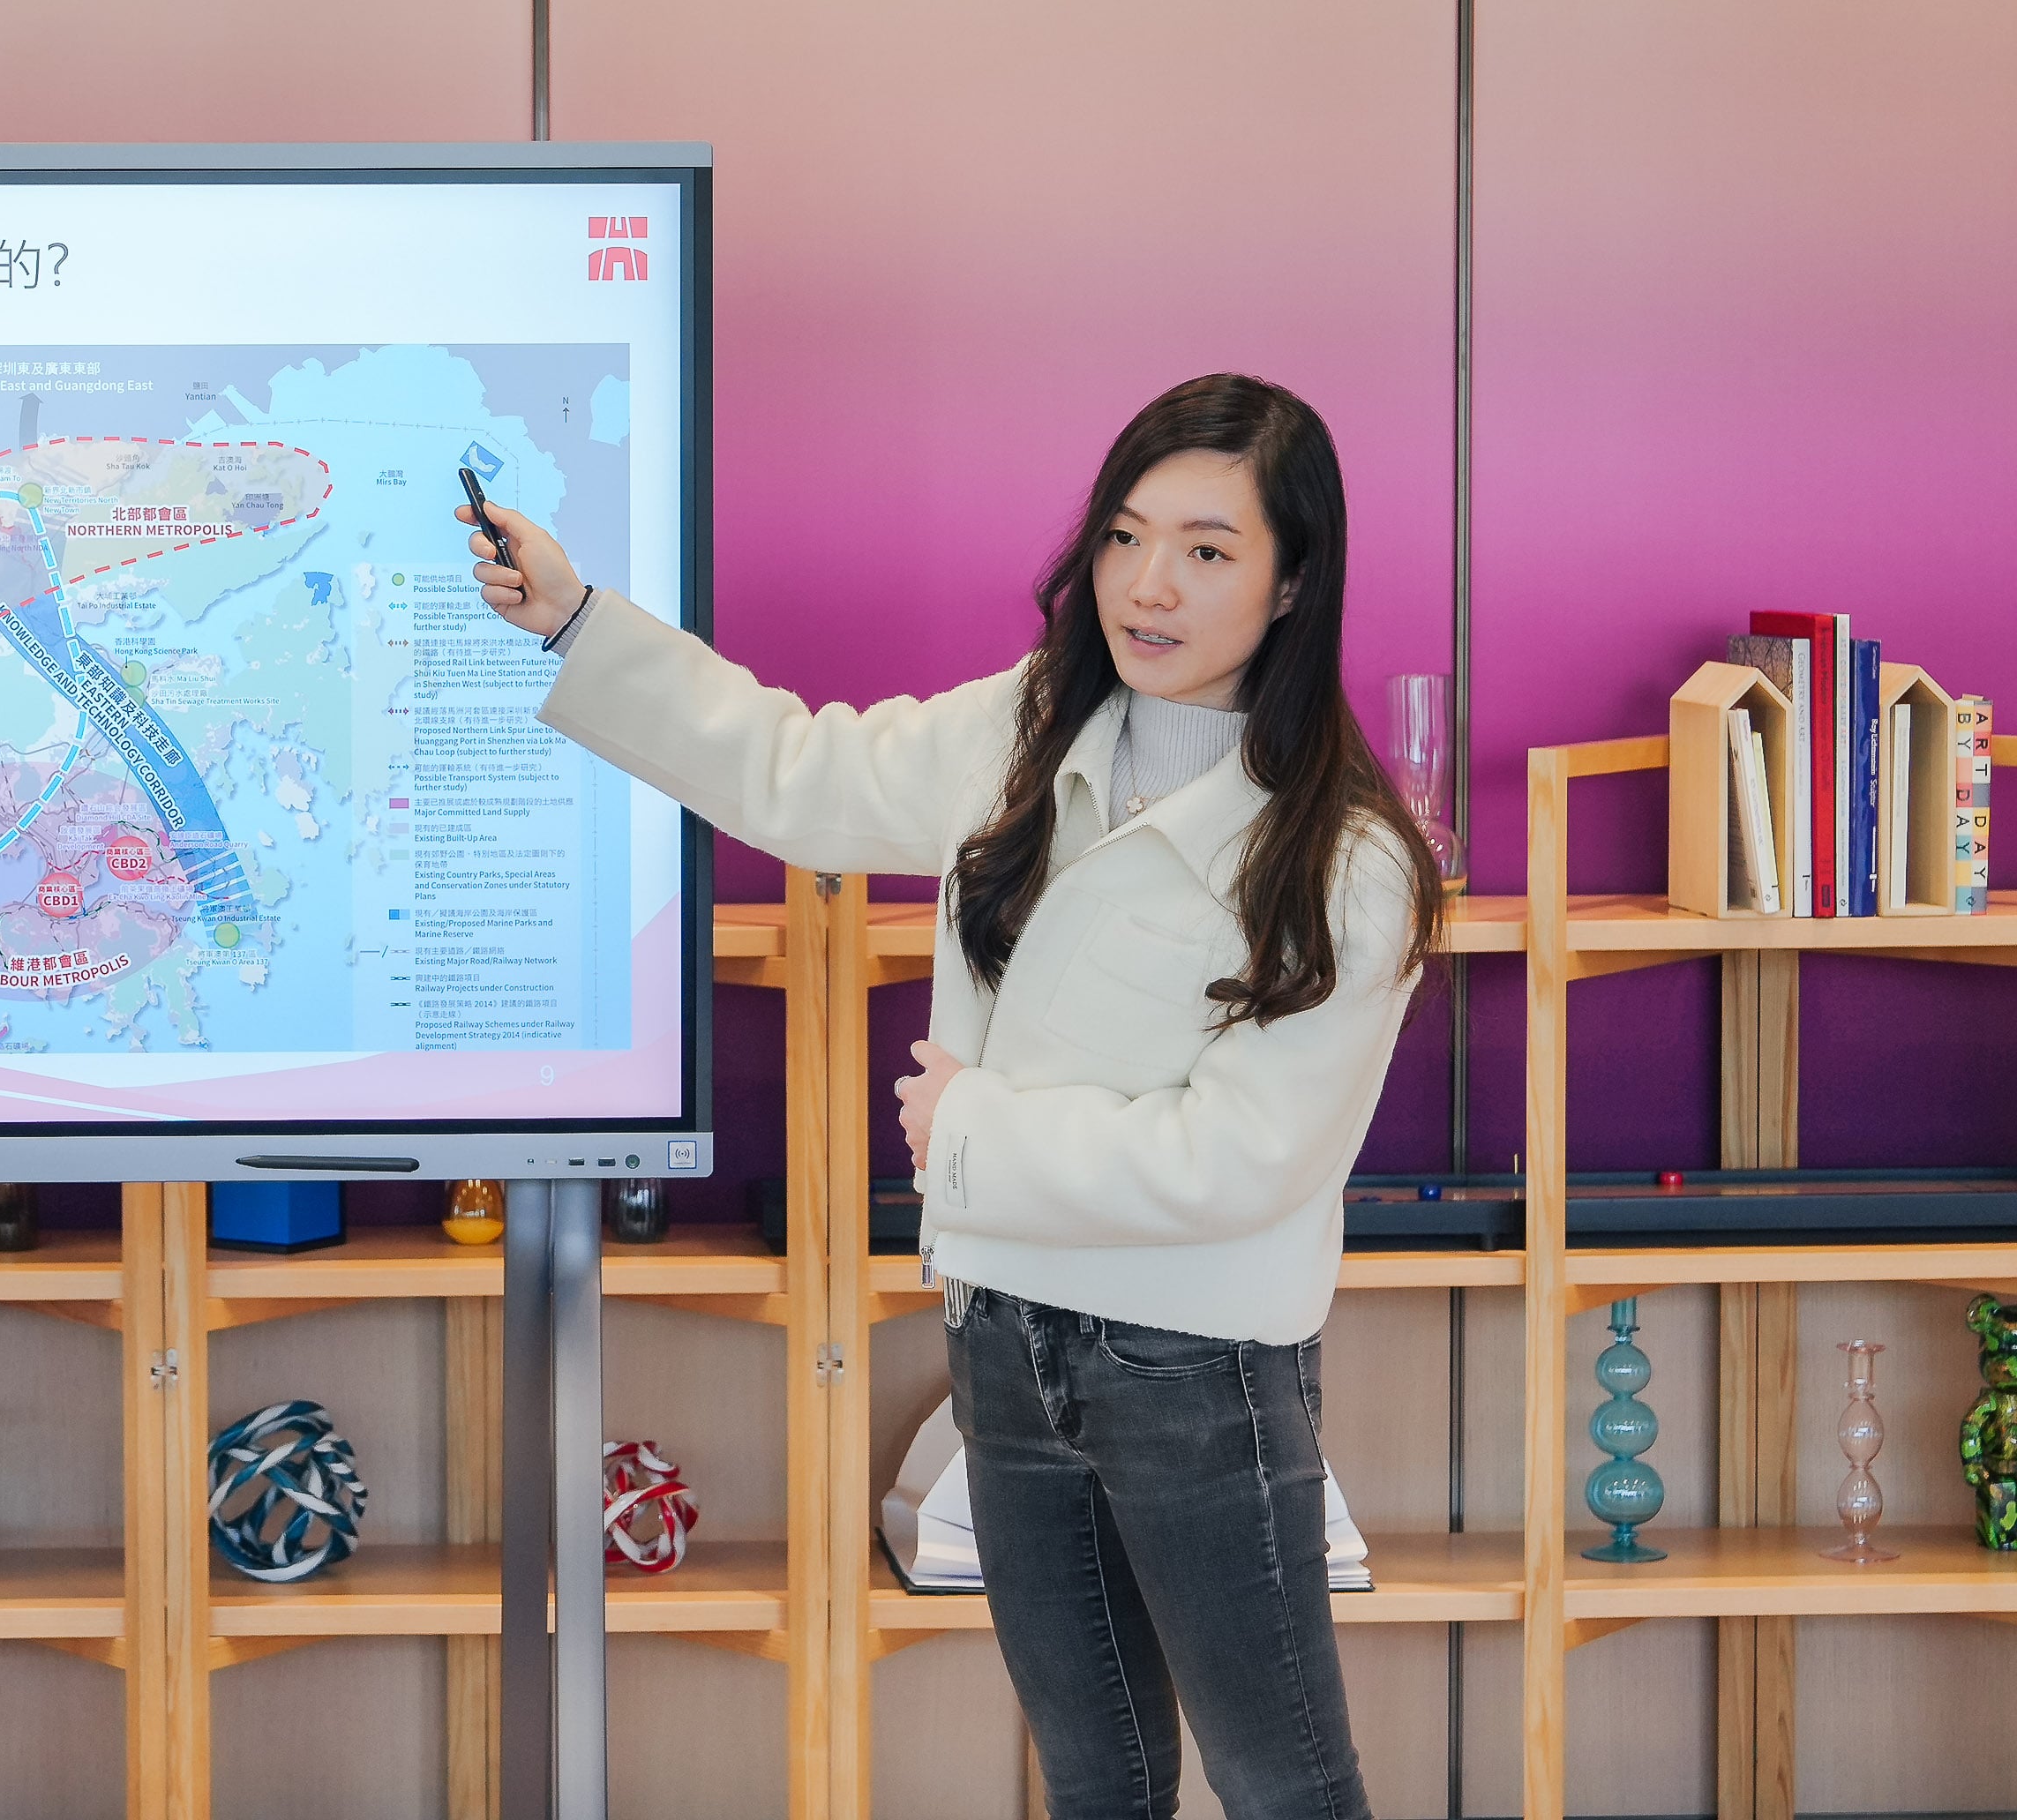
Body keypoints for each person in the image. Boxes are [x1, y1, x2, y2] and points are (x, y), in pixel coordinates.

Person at [461, 373, 1440, 1820]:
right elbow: (799, 774)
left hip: (1200, 1374)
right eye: (1125, 535)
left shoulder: (1347, 861)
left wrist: (969, 1133)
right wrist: (575, 621)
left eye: (1207, 550)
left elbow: (1247, 1158)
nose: (1148, 585)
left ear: (1295, 582)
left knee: (1283, 1782)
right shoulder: (1033, 725)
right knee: (1095, 1778)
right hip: (1005, 1336)